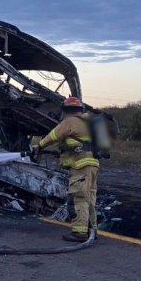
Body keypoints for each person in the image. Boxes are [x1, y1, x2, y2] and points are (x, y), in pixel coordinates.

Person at [35, 96, 100, 242]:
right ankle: (92, 231)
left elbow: (53, 136)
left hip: (81, 165)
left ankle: (80, 233)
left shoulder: (70, 121)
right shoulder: (89, 123)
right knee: (89, 199)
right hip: (93, 165)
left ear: (66, 110)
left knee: (79, 198)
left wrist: (38, 146)